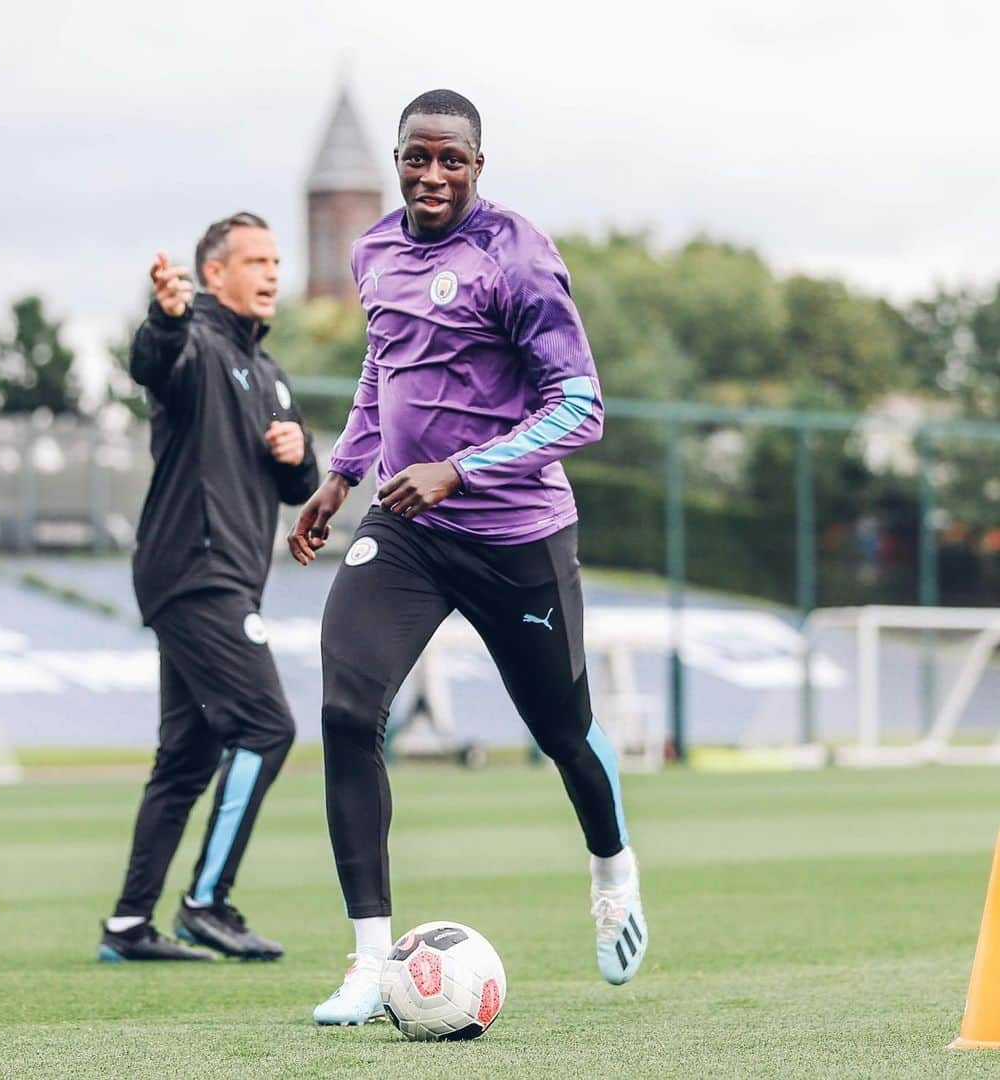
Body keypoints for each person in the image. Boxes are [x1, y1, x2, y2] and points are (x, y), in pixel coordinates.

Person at [288, 90, 646, 1023]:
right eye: (417, 157)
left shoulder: (518, 257)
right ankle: (370, 959)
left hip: (517, 535)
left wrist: (463, 469)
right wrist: (342, 474)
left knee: (564, 731)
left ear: (479, 165)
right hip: (408, 530)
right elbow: (383, 366)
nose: (432, 175)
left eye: (452, 160)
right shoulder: (373, 251)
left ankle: (611, 868)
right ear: (399, 160)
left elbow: (581, 407)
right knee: (344, 702)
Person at [98, 212, 319, 962]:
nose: (271, 272)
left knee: (188, 758)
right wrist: (163, 316)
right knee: (268, 726)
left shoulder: (271, 375)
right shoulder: (191, 341)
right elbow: (151, 362)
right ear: (214, 273)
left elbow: (300, 488)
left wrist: (299, 455)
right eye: (255, 260)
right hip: (194, 573)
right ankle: (207, 903)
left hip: (225, 580)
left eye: (277, 260)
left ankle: (129, 927)